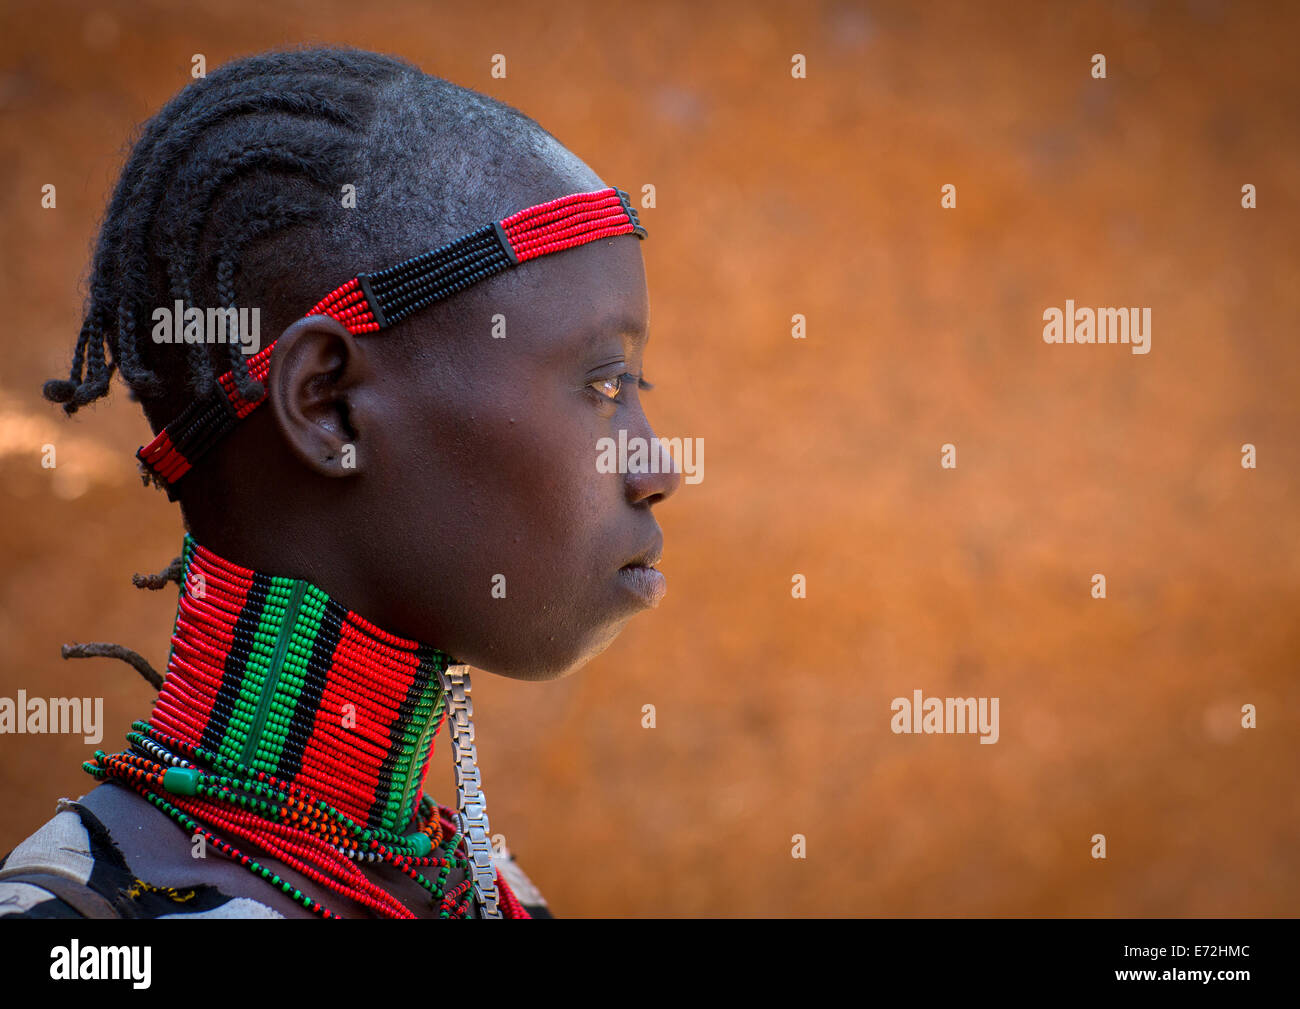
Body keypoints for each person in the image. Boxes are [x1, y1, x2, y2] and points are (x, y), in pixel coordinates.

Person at [0, 46, 679, 919]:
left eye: (638, 390)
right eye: (602, 386)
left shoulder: (492, 895)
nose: (658, 466)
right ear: (330, 406)